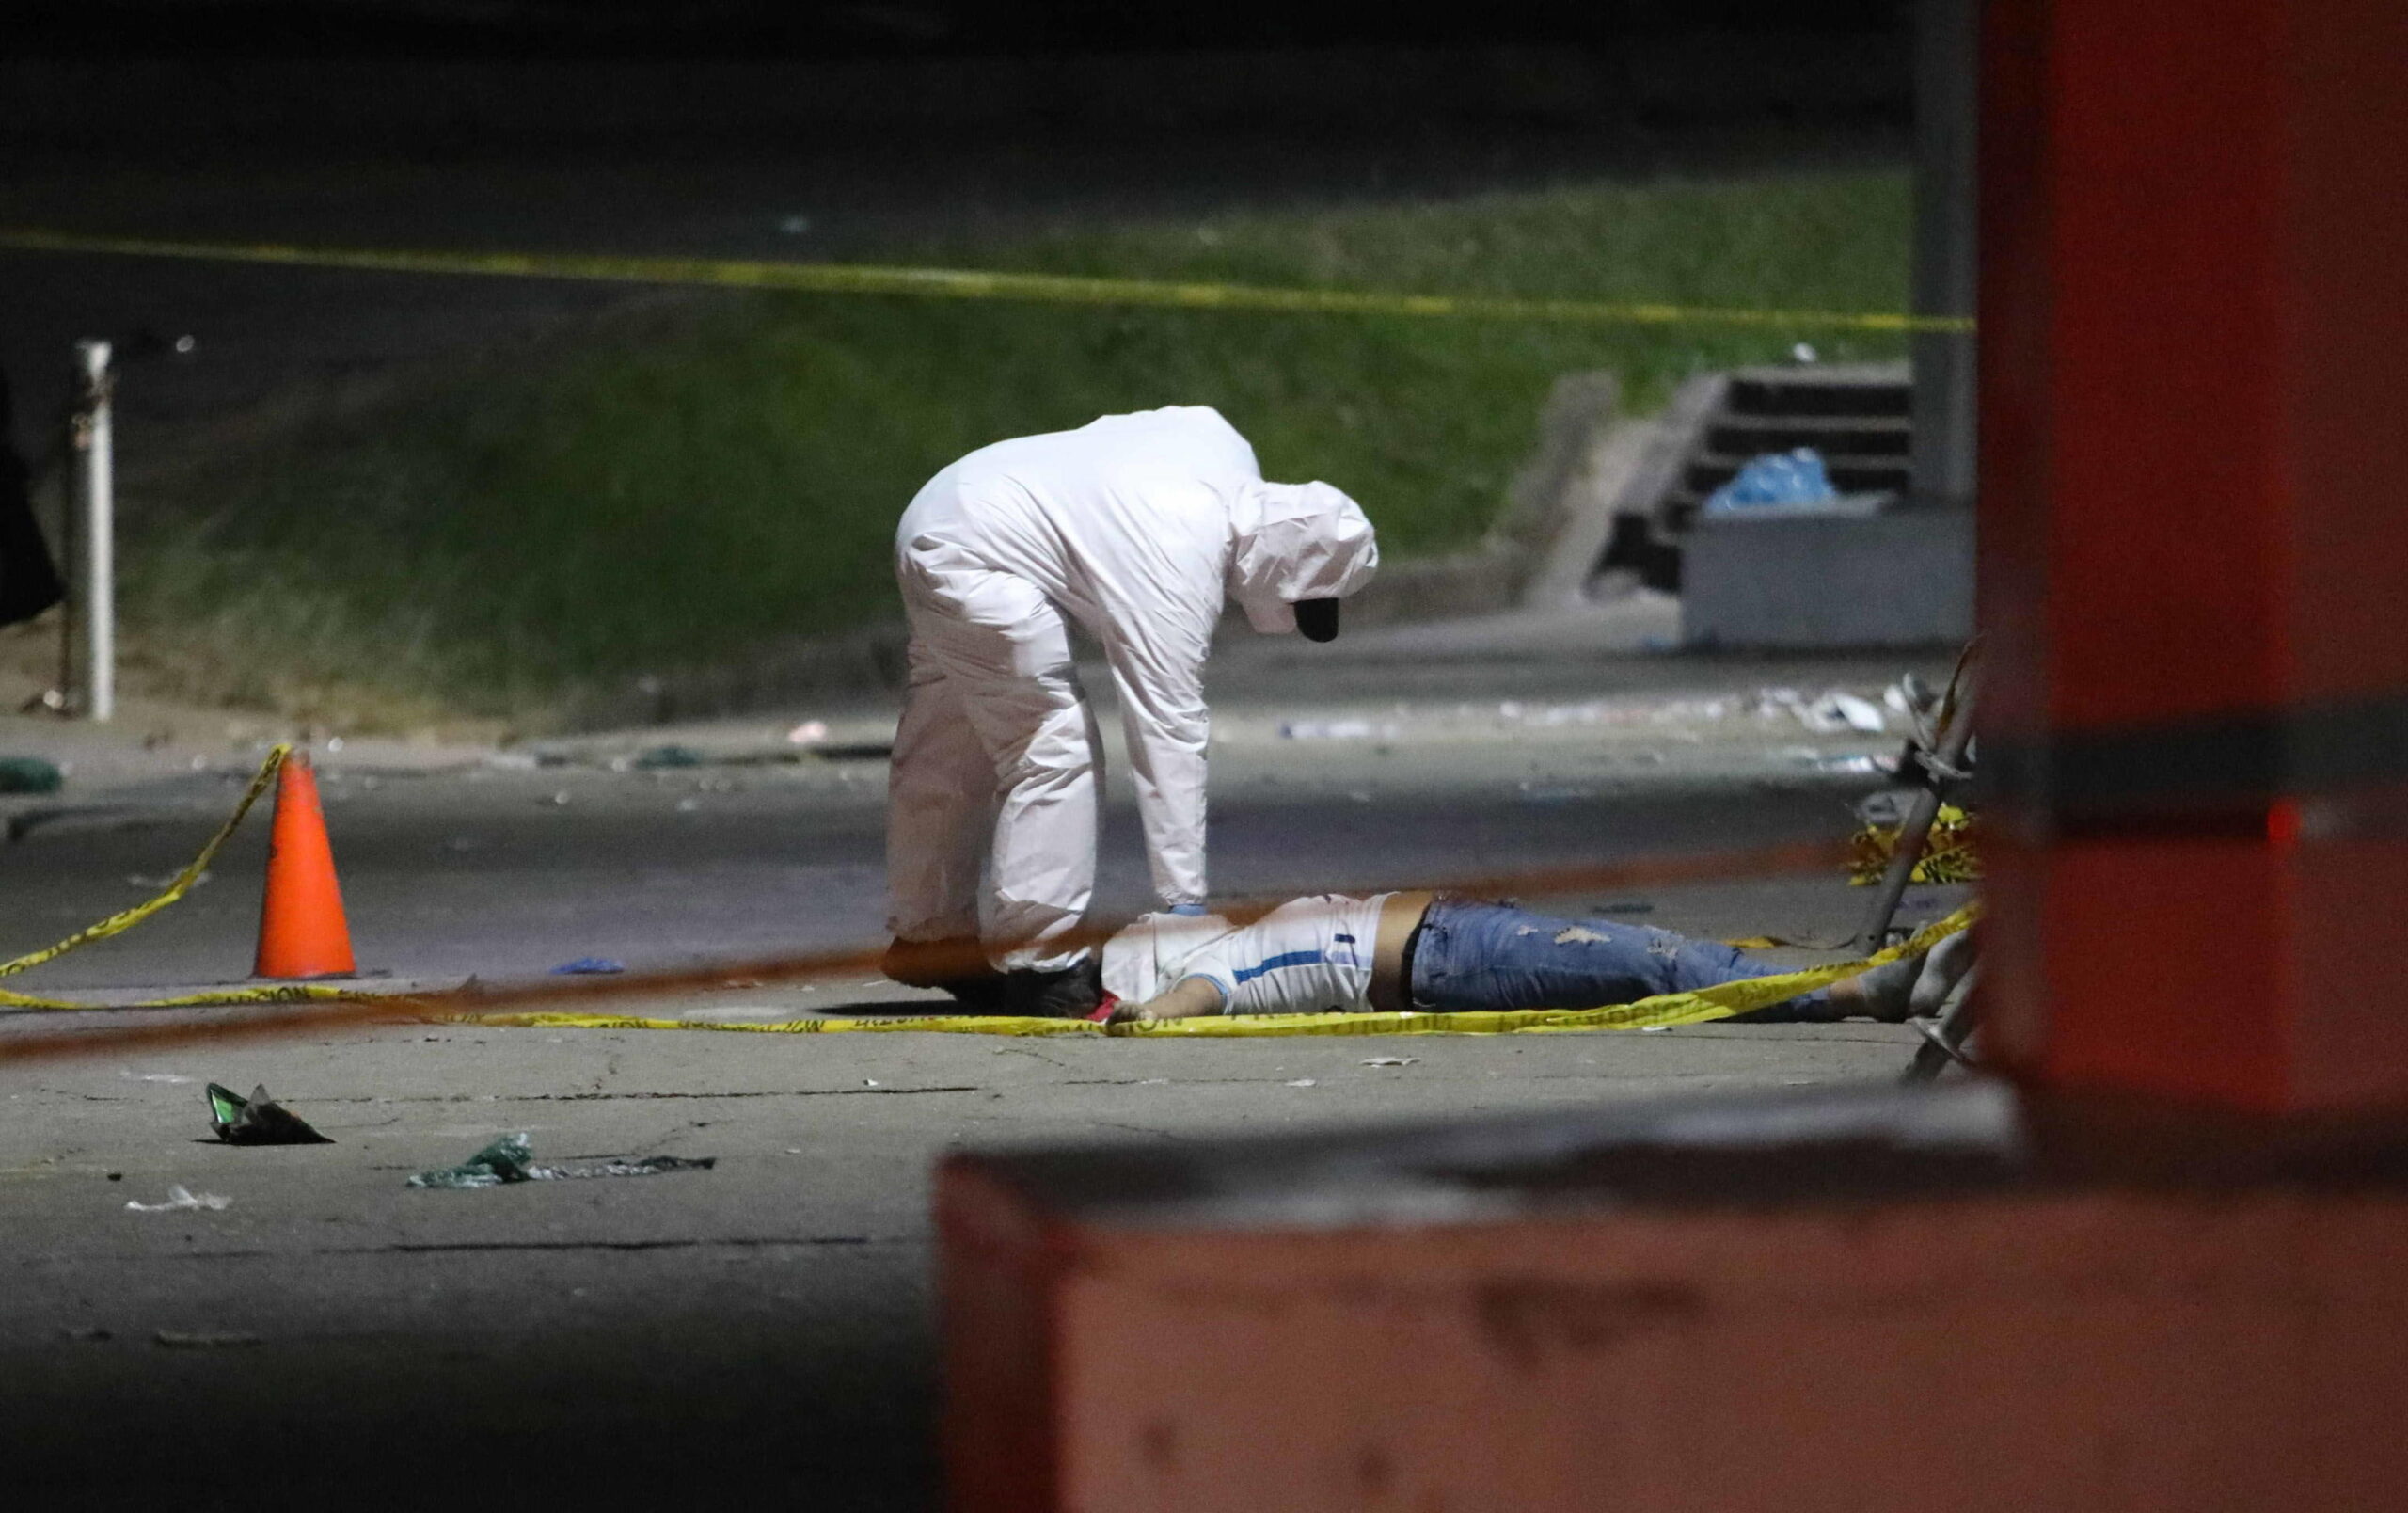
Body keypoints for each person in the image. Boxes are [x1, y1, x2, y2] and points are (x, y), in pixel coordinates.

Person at [882, 406, 1380, 1017]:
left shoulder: (1226, 449)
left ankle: (930, 937)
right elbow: (1167, 730)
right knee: (1048, 741)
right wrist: (1185, 904)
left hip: (946, 508)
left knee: (950, 737)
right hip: (978, 557)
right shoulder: (1177, 557)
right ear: (1286, 570)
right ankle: (1044, 966)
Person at [1098, 891, 1975, 1026]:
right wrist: (1146, 1014)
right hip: (1449, 958)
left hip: (1458, 934)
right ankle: (1868, 992)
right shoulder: (1229, 964)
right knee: (1658, 967)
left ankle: (1872, 982)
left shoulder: (1244, 933)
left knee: (1655, 956)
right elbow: (1206, 994)